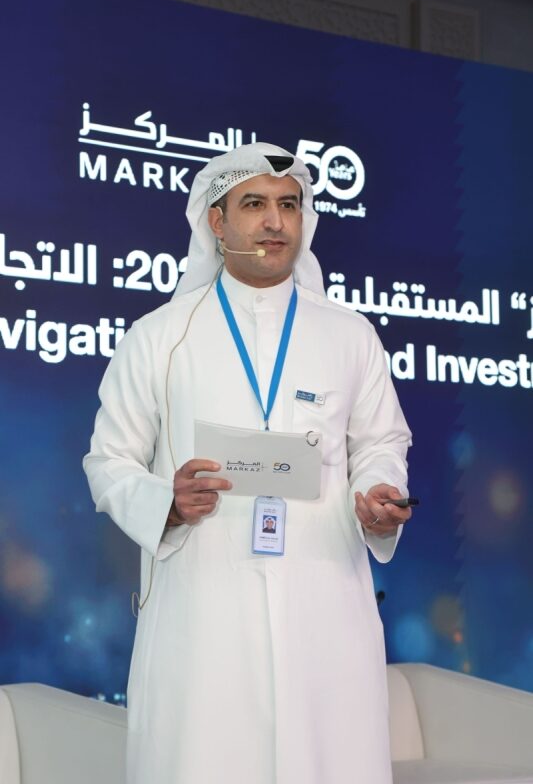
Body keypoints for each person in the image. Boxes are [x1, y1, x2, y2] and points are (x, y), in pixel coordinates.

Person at [83, 142, 413, 784]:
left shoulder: (350, 334)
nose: (275, 222)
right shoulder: (160, 336)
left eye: (289, 205)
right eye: (254, 204)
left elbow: (381, 442)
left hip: (324, 606)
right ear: (216, 221)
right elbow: (109, 459)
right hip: (204, 610)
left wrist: (379, 494)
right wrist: (165, 502)